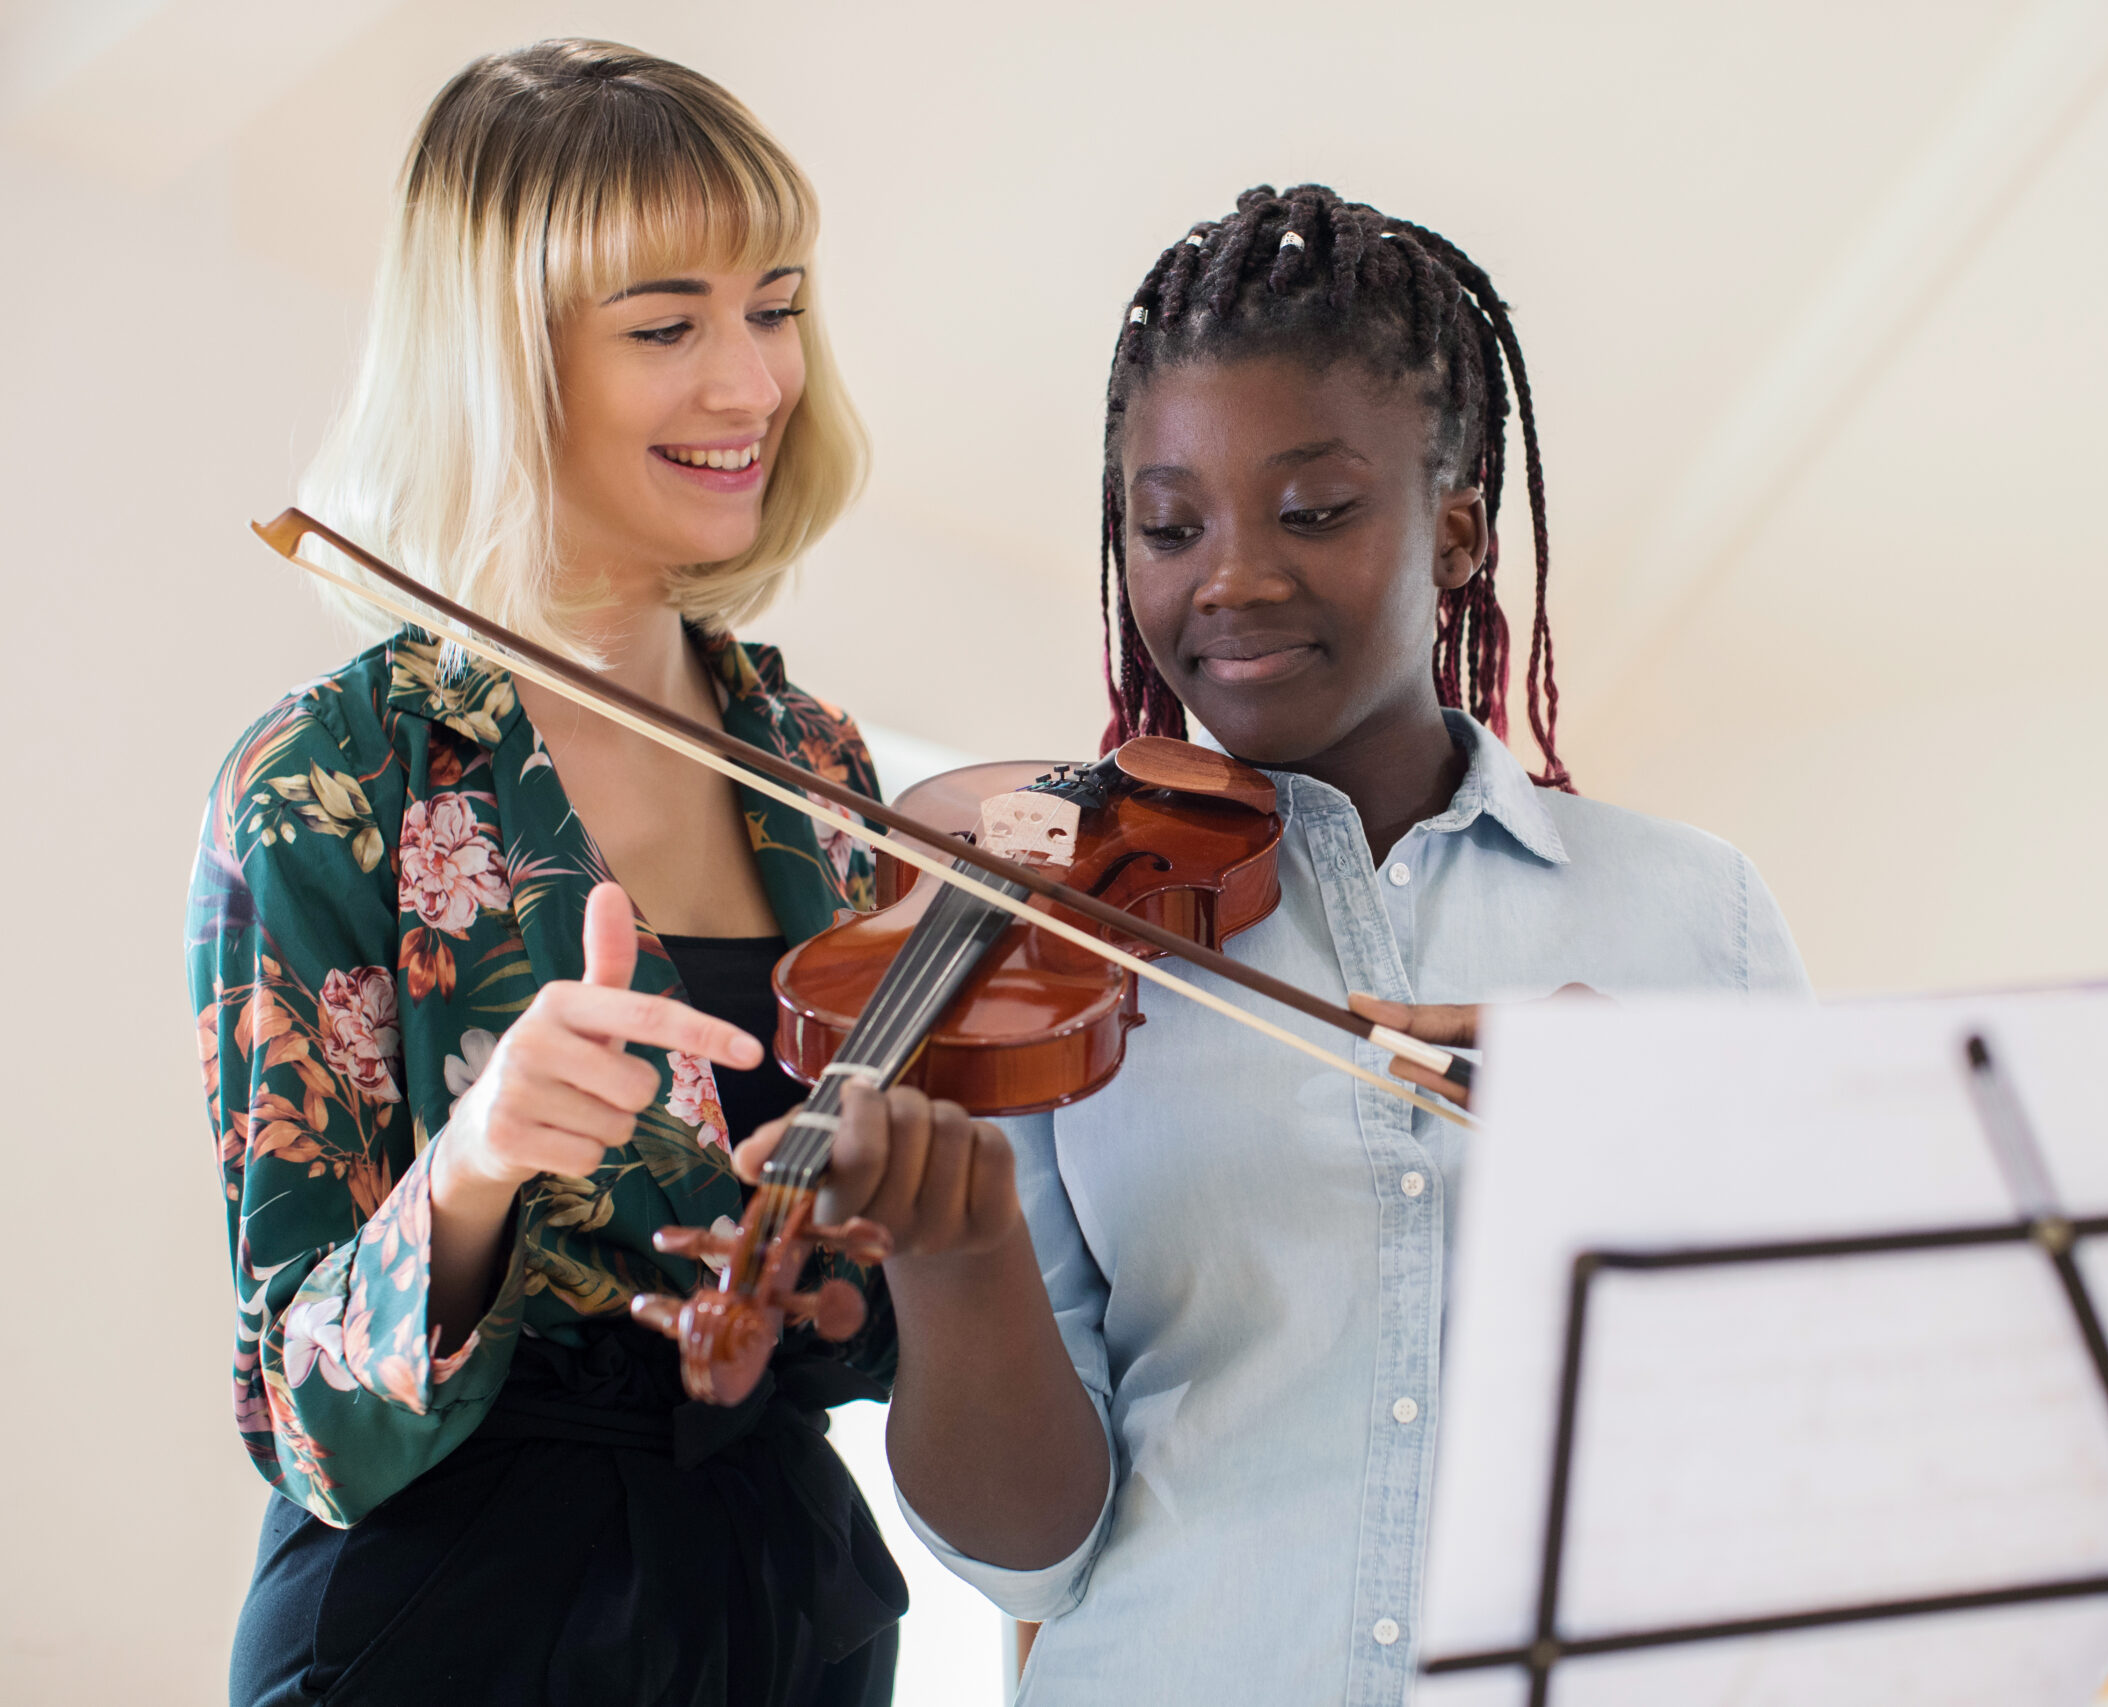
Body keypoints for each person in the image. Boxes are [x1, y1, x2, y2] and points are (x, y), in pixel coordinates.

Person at [741, 184, 1810, 1705]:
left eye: (1311, 511)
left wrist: (1640, 1137)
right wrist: (957, 1250)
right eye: (1167, 527)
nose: (1229, 579)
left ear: (1454, 534)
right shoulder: (1048, 943)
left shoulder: (1696, 919)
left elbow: (1816, 1428)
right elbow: (1027, 1553)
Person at [187, 40, 936, 1705]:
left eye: (776, 305)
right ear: (505, 366)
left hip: (779, 1616)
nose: (749, 384)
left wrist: (846, 1285)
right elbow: (298, 1413)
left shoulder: (820, 775)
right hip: (443, 1627)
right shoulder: (322, 785)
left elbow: (875, 1318)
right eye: (666, 327)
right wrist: (473, 1173)